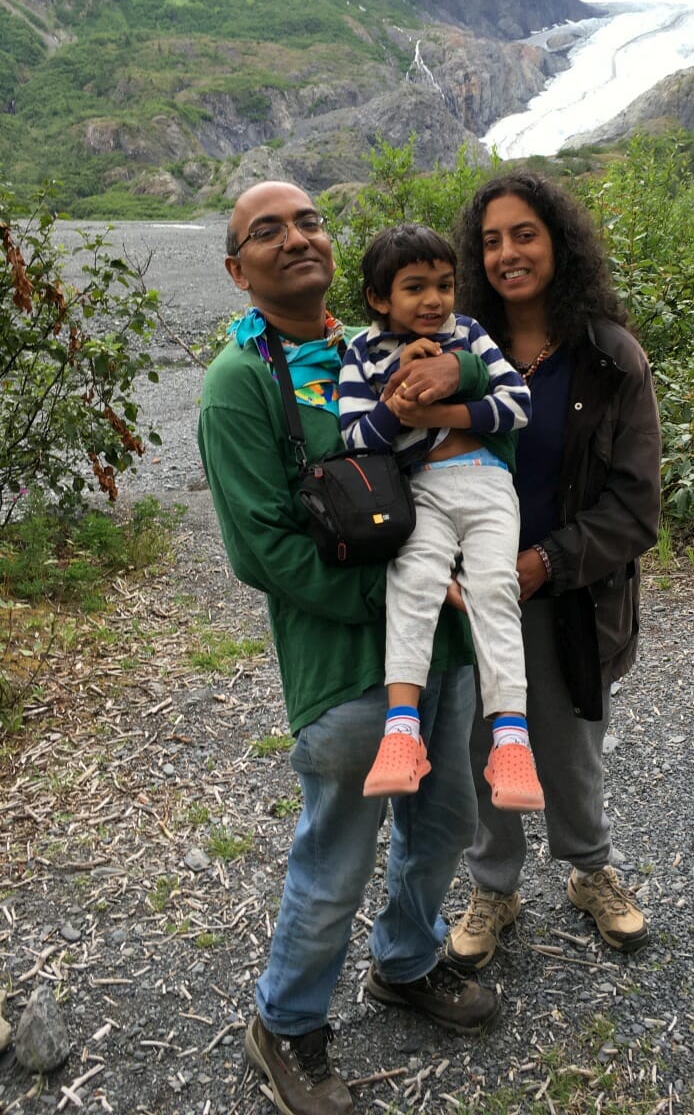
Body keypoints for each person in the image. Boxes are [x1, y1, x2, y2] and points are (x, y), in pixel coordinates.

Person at [197, 182, 500, 1115]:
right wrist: (402, 592)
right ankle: (286, 1020)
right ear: (237, 268)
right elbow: (265, 550)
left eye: (310, 220)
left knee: (443, 821)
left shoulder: (375, 341)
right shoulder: (241, 381)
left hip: (443, 647)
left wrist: (466, 384)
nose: (296, 238)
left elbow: (485, 387)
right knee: (337, 850)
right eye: (267, 231)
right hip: (346, 663)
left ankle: (405, 962)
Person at [443, 170, 662, 970]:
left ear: (558, 244)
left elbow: (637, 506)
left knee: (570, 741)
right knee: (478, 738)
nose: (508, 253)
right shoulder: (454, 348)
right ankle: (493, 885)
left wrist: (543, 562)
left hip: (569, 591)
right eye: (492, 240)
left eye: (524, 234)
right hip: (470, 591)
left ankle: (589, 869)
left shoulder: (609, 358)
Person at [338, 224, 543, 812]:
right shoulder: (362, 354)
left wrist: (444, 403)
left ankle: (511, 739)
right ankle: (400, 730)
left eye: (445, 285)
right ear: (379, 299)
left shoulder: (470, 335)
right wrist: (396, 406)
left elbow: (517, 406)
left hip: (485, 482)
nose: (434, 300)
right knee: (414, 582)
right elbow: (355, 440)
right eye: (415, 288)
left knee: (496, 589)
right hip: (420, 489)